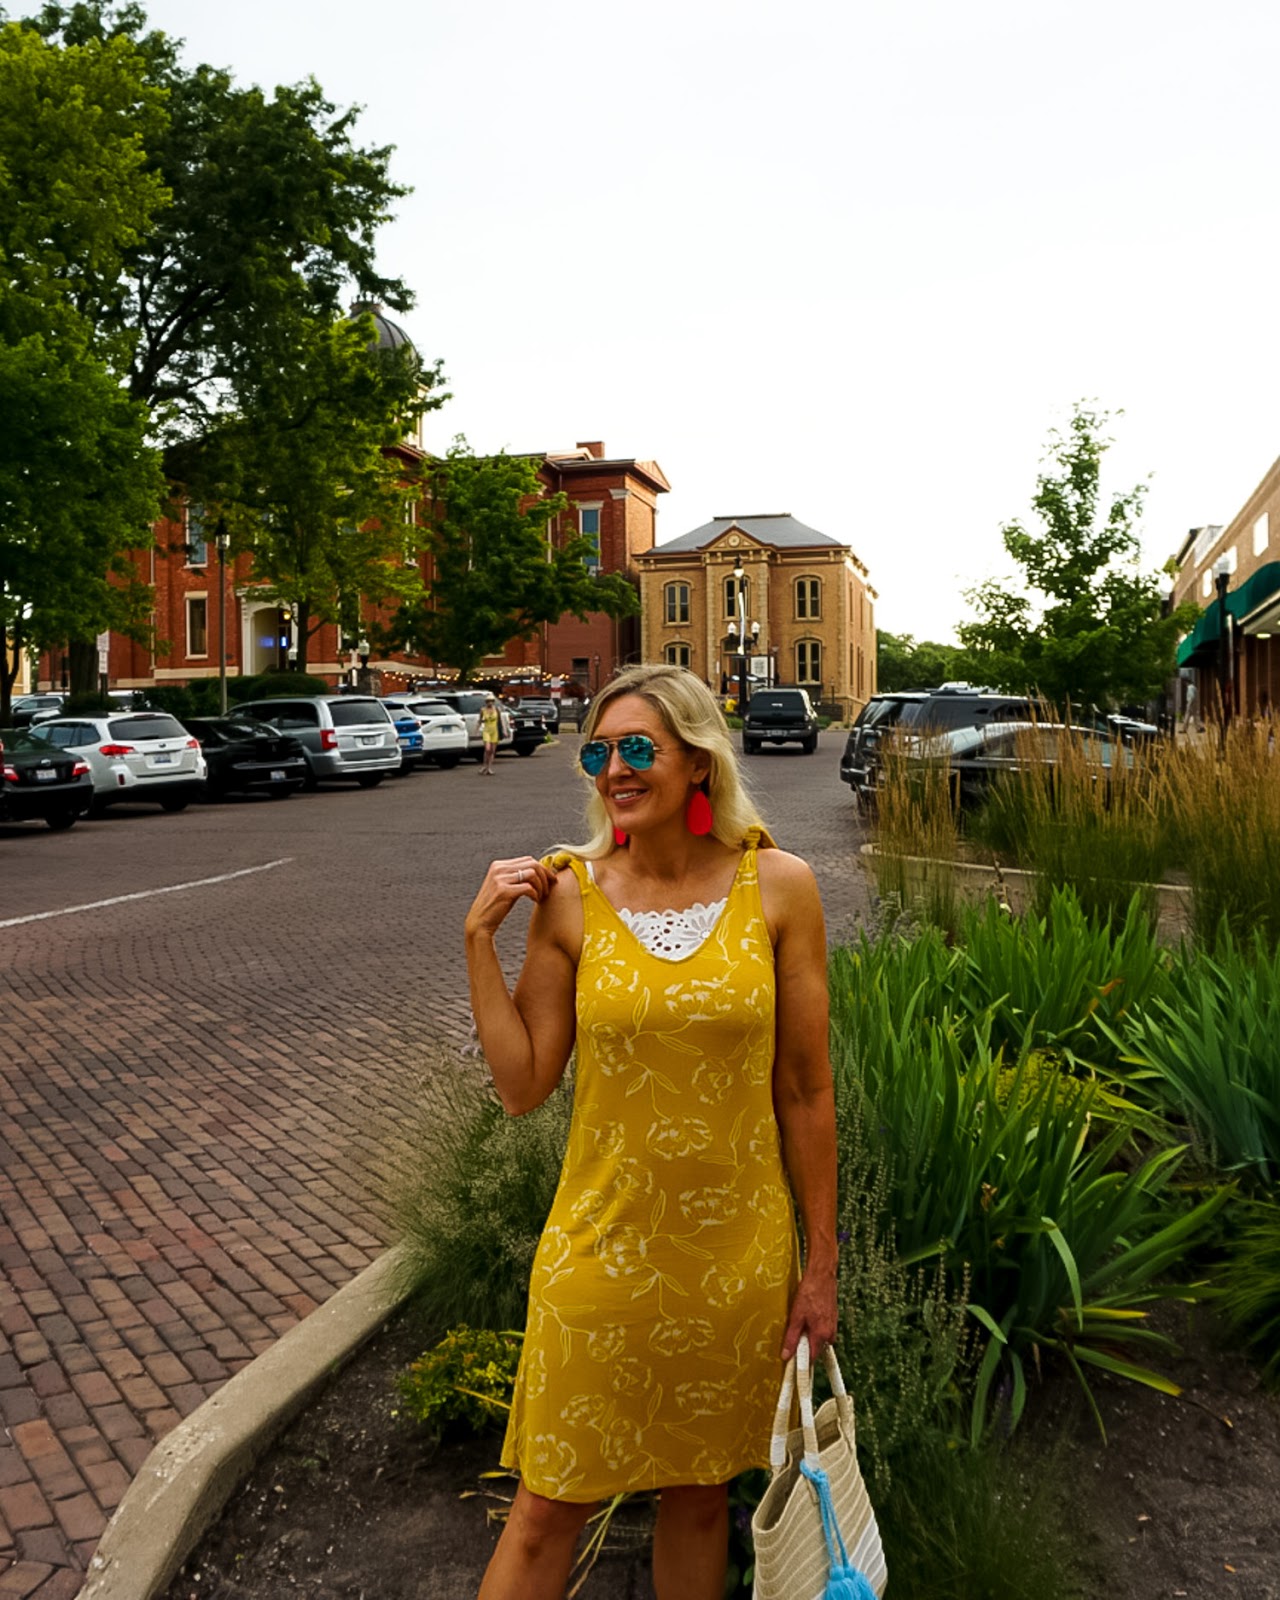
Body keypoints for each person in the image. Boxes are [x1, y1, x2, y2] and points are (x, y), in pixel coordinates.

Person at [464, 664, 838, 1600]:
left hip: (735, 1255)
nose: (616, 770)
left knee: (702, 1495)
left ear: (699, 762)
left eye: (640, 748)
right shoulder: (568, 896)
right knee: (548, 1507)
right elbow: (521, 1088)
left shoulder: (780, 887)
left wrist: (821, 1265)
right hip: (602, 1253)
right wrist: (479, 942)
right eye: (599, 752)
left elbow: (804, 1089)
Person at [480, 693, 501, 775]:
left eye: (491, 701)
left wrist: (504, 731)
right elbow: (480, 720)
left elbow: (499, 721)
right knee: (487, 749)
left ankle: (489, 767)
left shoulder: (497, 709)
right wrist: (478, 727)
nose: (490, 703)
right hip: (486, 730)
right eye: (488, 701)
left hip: (494, 731)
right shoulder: (483, 710)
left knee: (492, 750)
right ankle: (484, 765)